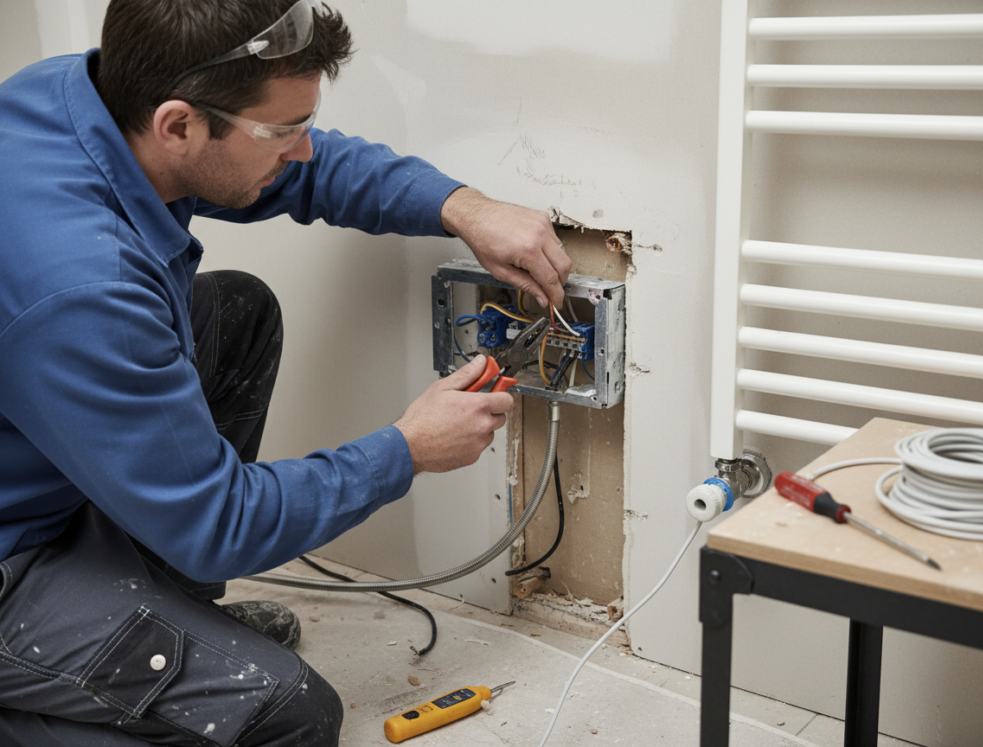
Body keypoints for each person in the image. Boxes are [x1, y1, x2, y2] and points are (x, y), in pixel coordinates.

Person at [0, 0, 571, 744]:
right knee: (287, 714)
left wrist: (463, 206)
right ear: (179, 125)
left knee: (235, 312)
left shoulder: (86, 101)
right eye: (283, 132)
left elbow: (309, 171)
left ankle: (160, 610)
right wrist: (405, 450)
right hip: (13, 558)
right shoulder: (84, 285)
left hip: (28, 452)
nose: (302, 150)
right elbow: (220, 521)